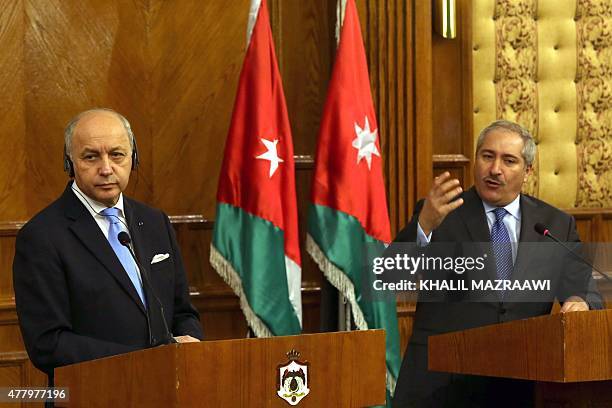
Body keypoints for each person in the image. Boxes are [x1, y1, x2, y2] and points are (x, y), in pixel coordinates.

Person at [391, 120, 602, 407]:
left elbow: (584, 288)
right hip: (440, 386)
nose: (495, 169)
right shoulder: (440, 213)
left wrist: (580, 301)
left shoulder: (555, 225)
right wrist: (424, 225)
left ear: (527, 171)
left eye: (509, 160)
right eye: (487, 156)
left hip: (520, 387)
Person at [13, 108, 203, 382]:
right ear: (70, 163)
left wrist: (190, 344)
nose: (105, 168)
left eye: (117, 155)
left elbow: (183, 311)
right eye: (91, 157)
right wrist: (142, 362)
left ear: (133, 158)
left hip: (166, 390)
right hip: (93, 393)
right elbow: (48, 344)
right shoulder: (42, 236)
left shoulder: (154, 222)